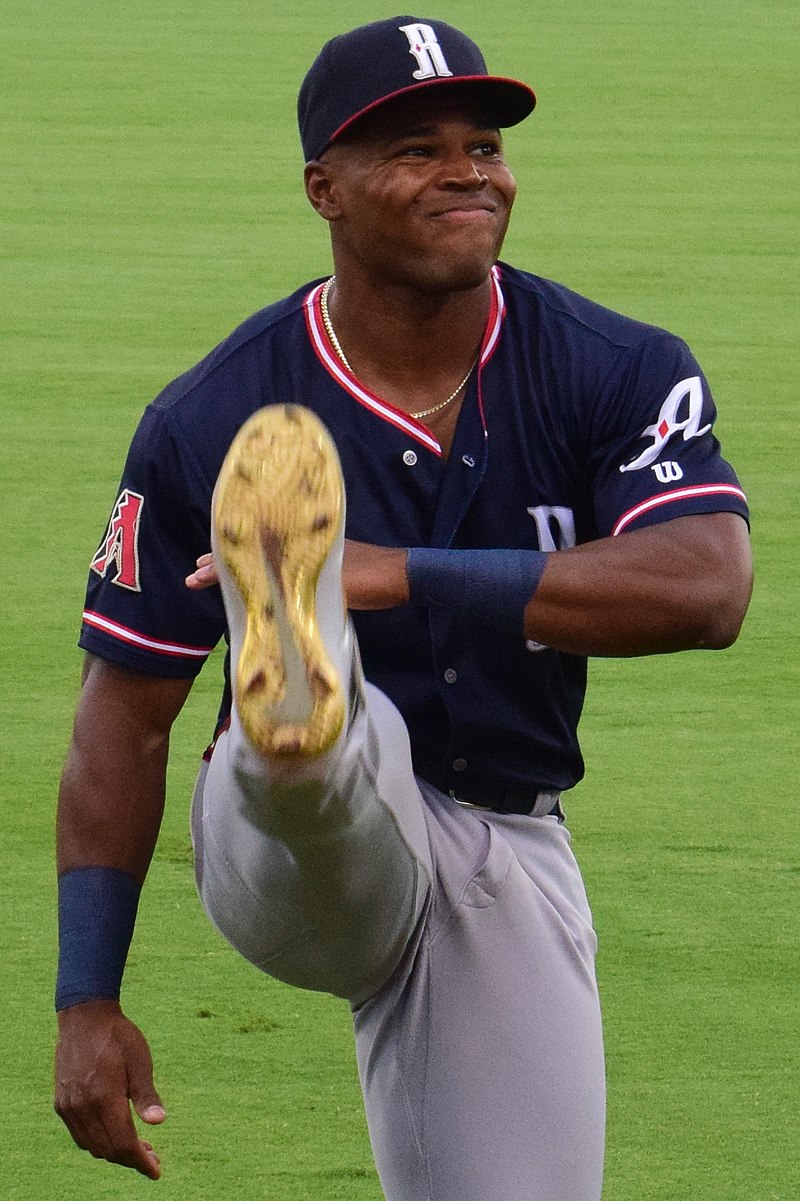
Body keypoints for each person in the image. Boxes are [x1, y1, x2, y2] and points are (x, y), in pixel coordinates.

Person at [54, 16, 753, 1201]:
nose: (464, 171)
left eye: (480, 146)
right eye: (414, 149)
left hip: (500, 845)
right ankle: (301, 706)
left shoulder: (613, 366)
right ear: (324, 189)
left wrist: (395, 569)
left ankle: (306, 633)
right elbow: (121, 720)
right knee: (328, 755)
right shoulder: (209, 416)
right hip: (277, 850)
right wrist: (86, 998)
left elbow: (705, 585)